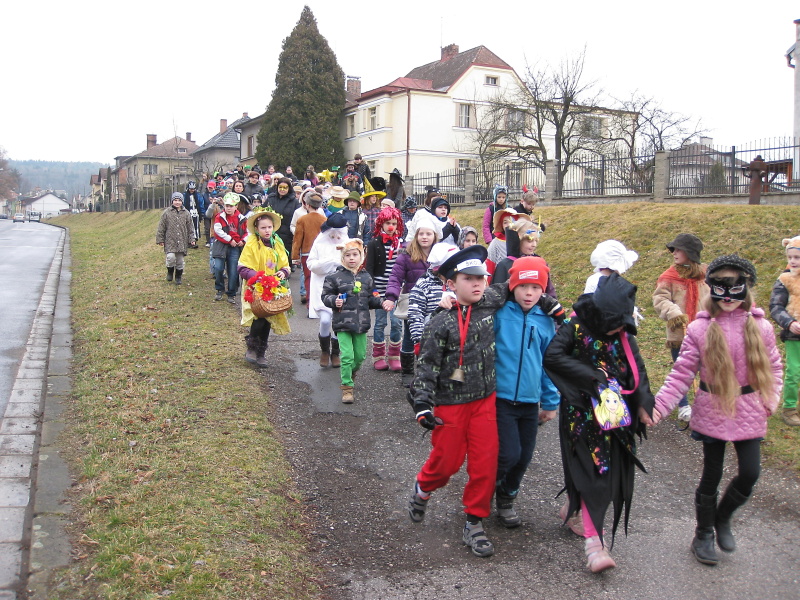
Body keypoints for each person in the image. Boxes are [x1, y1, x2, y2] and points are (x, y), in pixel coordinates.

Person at [653, 255, 782, 566]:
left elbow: (775, 367)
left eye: (734, 286)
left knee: (750, 473)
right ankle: (703, 533)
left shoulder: (761, 327)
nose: (727, 295)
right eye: (720, 286)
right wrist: (657, 408)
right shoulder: (699, 329)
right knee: (711, 475)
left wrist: (770, 400)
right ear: (711, 289)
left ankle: (723, 517)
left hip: (749, 409)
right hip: (712, 409)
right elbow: (681, 374)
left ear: (746, 288)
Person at [544, 273, 655, 573]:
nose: (622, 329)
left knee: (606, 475)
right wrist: (591, 376)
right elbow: (553, 357)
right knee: (594, 475)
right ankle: (595, 546)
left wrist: (644, 404)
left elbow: (637, 369)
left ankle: (574, 507)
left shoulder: (624, 335)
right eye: (617, 323)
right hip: (580, 419)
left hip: (615, 420)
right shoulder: (575, 327)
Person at [406, 244, 507, 558]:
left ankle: (474, 521)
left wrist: (549, 302)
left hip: (484, 400)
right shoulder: (440, 321)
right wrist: (422, 405)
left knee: (485, 463)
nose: (477, 284)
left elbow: (519, 283)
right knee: (447, 462)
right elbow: (426, 366)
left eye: (481, 278)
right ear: (450, 284)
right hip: (450, 403)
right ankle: (424, 487)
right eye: (468, 279)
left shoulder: (490, 300)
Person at [493, 257, 559, 528]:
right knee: (508, 454)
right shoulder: (499, 313)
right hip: (501, 398)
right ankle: (485, 487)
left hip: (530, 402)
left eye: (535, 287)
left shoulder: (546, 321)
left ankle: (507, 497)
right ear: (512, 287)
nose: (529, 293)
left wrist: (550, 402)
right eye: (522, 286)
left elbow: (549, 363)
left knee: (524, 457)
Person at [653, 234, 709, 422]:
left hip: (704, 331)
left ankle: (705, 405)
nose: (674, 253)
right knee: (682, 370)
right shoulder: (668, 277)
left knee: (707, 370)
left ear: (690, 253)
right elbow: (660, 299)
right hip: (680, 333)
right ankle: (683, 405)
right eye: (674, 249)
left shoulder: (706, 275)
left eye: (679, 250)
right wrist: (674, 313)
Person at [384, 210, 442, 386]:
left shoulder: (441, 255)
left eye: (428, 234)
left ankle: (429, 370)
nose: (424, 237)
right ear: (416, 235)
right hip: (413, 302)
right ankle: (408, 372)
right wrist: (391, 297)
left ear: (434, 235)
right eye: (421, 233)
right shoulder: (406, 255)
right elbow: (395, 277)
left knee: (434, 337)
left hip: (435, 302)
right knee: (410, 336)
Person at [322, 239, 383, 403]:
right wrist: (334, 300)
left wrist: (382, 302)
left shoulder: (366, 277)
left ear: (361, 256)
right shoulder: (334, 277)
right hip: (342, 324)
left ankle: (351, 372)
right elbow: (325, 296)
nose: (351, 258)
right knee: (347, 356)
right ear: (342, 258)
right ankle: (347, 388)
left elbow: (372, 298)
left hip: (361, 324)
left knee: (360, 356)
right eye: (347, 255)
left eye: (355, 254)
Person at [237, 208, 291, 367]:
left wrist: (283, 272)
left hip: (272, 287)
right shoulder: (252, 243)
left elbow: (285, 264)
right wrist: (257, 276)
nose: (267, 231)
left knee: (268, 317)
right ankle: (252, 347)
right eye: (263, 228)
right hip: (256, 286)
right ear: (256, 229)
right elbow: (242, 266)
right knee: (258, 316)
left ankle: (261, 352)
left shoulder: (277, 243)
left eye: (269, 227)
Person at [365, 207, 405, 371]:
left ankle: (395, 356)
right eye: (388, 223)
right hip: (380, 291)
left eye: (394, 224)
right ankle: (379, 356)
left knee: (396, 323)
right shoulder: (374, 243)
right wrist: (372, 290)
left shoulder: (401, 244)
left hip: (396, 291)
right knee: (380, 323)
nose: (390, 226)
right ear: (381, 224)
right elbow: (369, 269)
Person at [308, 213, 350, 367]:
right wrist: (329, 263)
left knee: (338, 320)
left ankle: (335, 353)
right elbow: (311, 264)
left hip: (341, 287)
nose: (336, 236)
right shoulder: (319, 243)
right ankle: (325, 351)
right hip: (323, 287)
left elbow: (353, 262)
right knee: (325, 320)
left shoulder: (347, 242)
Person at [407, 243, 459, 357]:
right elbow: (415, 314)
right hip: (431, 341)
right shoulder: (424, 285)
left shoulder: (460, 284)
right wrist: (419, 340)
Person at [770, 236, 800, 426]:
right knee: (794, 372)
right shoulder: (784, 279)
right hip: (794, 335)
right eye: (790, 257)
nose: (792, 261)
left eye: (797, 257)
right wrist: (789, 323)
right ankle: (789, 408)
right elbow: (775, 306)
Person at [491, 219, 556, 297]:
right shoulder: (505, 265)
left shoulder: (540, 263)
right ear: (518, 240)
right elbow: (496, 295)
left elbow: (549, 291)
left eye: (536, 241)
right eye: (529, 241)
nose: (534, 245)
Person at [211, 192, 248, 303]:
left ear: (236, 206)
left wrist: (243, 240)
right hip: (221, 245)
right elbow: (217, 231)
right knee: (218, 268)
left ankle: (231, 293)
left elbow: (248, 232)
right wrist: (229, 239)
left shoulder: (242, 218)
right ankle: (219, 288)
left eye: (231, 206)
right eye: (227, 205)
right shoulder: (220, 217)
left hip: (235, 246)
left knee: (233, 271)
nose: (228, 208)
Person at [292, 191, 326, 305]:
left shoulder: (302, 219)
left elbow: (297, 240)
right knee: (320, 278)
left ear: (307, 204)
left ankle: (310, 301)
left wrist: (295, 256)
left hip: (306, 253)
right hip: (321, 253)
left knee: (308, 278)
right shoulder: (324, 219)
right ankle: (319, 300)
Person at [156, 192, 196, 285]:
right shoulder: (167, 213)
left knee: (180, 260)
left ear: (182, 202)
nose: (177, 202)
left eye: (179, 200)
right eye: (175, 200)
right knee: (170, 257)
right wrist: (160, 239)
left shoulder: (186, 213)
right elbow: (161, 227)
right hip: (170, 240)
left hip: (182, 240)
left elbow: (190, 227)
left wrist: (192, 239)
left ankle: (178, 276)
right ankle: (170, 271)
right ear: (172, 201)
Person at [265, 177, 299, 263]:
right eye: (280, 187)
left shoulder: (294, 201)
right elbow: (263, 210)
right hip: (270, 233)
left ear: (289, 188)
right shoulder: (271, 198)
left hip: (287, 236)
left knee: (284, 260)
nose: (282, 190)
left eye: (285, 188)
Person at [486, 208, 526, 275]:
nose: (509, 225)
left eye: (512, 221)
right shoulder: (496, 243)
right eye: (505, 222)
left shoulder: (523, 240)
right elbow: (489, 263)